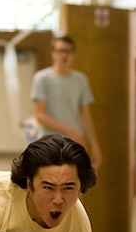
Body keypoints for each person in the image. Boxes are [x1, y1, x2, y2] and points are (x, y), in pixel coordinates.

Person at [30, 35, 102, 167]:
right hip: (49, 143)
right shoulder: (42, 78)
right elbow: (40, 115)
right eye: (60, 51)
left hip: (74, 144)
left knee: (73, 183)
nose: (64, 55)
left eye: (68, 51)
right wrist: (69, 130)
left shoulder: (81, 80)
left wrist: (94, 145)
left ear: (73, 54)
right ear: (53, 53)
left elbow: (85, 116)